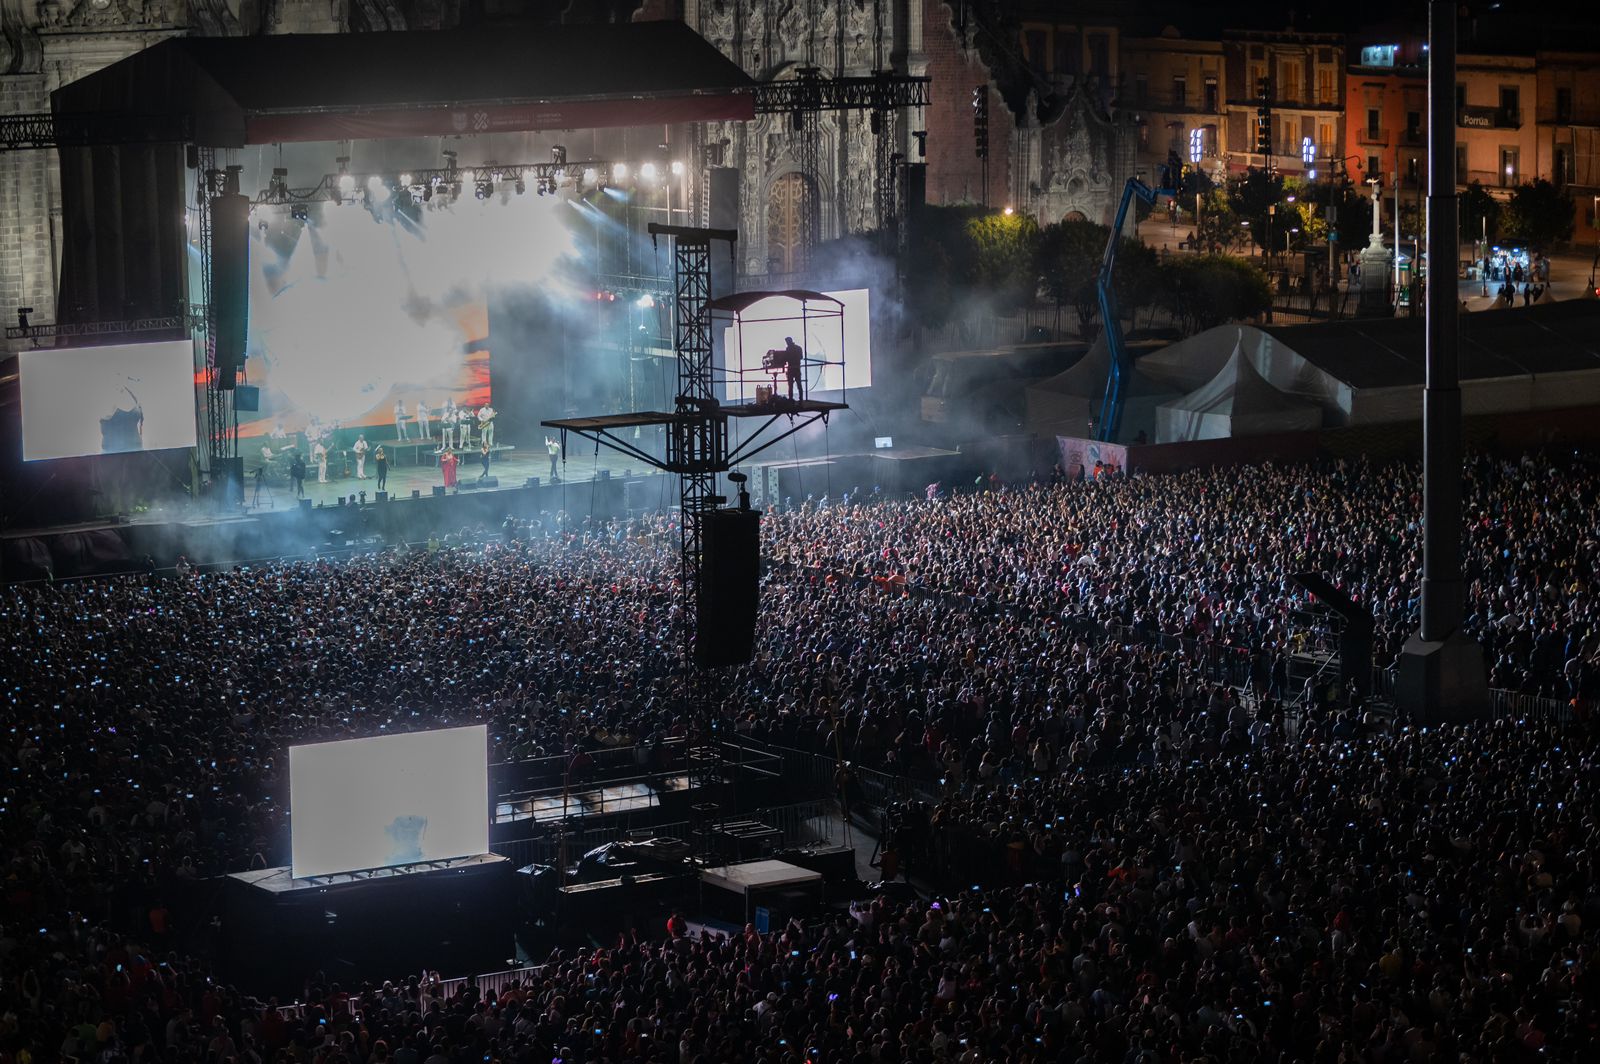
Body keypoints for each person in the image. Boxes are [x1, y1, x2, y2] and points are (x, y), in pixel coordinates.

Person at [782, 335, 804, 400]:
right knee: (799, 384)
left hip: (791, 368)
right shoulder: (798, 348)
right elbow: (801, 357)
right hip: (797, 368)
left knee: (791, 385)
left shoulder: (788, 349)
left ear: (788, 342)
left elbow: (786, 359)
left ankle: (791, 399)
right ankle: (801, 399)